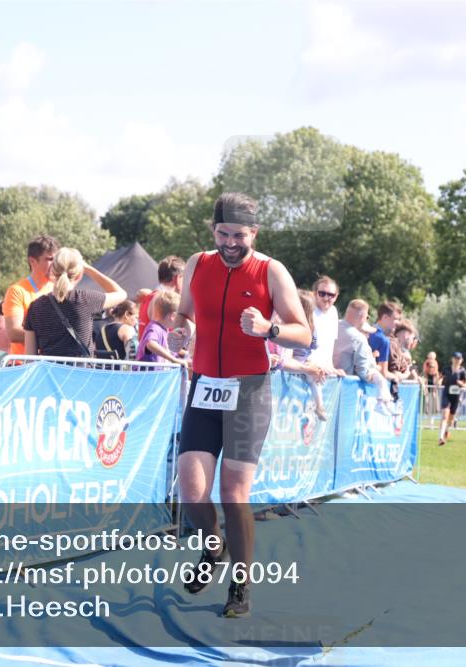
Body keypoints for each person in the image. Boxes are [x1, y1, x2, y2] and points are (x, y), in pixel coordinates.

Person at [174, 192, 311, 618]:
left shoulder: (271, 271)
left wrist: (269, 328)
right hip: (204, 385)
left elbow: (304, 334)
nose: (230, 242)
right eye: (222, 233)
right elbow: (184, 314)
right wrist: (181, 331)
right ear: (212, 230)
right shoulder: (198, 264)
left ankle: (241, 583)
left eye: (239, 235)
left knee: (233, 493)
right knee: (192, 490)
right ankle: (214, 550)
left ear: (254, 233)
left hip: (249, 389)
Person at [23, 248, 127, 358]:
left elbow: (30, 357)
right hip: (79, 373)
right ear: (79, 275)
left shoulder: (35, 307)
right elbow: (121, 294)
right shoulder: (85, 299)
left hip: (49, 373)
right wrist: (89, 269)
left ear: (53, 271)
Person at [270, 290, 328, 420]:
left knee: (313, 377)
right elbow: (315, 345)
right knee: (313, 381)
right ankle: (320, 406)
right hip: (299, 361)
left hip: (296, 362)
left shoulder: (292, 326)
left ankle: (318, 407)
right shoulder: (311, 327)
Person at [3, 234, 59, 357]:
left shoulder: (59, 288)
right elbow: (13, 333)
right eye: (49, 259)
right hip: (22, 366)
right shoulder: (17, 291)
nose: (55, 264)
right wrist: (52, 337)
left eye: (56, 259)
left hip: (51, 365)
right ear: (32, 261)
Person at [332, 299, 394, 404]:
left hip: (326, 385)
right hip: (346, 392)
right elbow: (363, 372)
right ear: (362, 317)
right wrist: (375, 373)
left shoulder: (332, 325)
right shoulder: (358, 338)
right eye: (367, 317)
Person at [138, 256, 185, 339]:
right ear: (178, 278)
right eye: (184, 278)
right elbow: (161, 341)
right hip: (158, 351)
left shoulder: (148, 297)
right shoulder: (165, 300)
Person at [137, 291, 188, 365]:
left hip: (156, 375)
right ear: (173, 316)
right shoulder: (155, 328)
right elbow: (150, 344)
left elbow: (168, 349)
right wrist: (174, 360)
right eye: (179, 316)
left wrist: (185, 354)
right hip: (146, 375)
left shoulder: (164, 329)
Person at [309, 276, 344, 377]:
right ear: (315, 293)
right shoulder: (309, 310)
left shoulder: (333, 312)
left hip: (325, 371)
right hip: (309, 369)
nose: (326, 298)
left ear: (336, 296)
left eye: (330, 295)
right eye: (322, 293)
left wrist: (331, 367)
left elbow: (329, 345)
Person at [438, 352, 466, 446]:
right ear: (452, 359)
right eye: (455, 358)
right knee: (444, 415)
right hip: (446, 394)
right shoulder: (446, 369)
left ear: (461, 360)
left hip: (456, 397)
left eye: (459, 359)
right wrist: (439, 382)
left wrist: (462, 384)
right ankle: (440, 437)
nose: (457, 360)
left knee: (451, 418)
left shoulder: (462, 371)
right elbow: (439, 378)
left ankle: (446, 429)